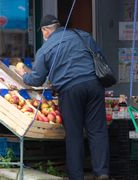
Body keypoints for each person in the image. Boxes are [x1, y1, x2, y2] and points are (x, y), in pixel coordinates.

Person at [18, 15, 110, 180]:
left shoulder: (45, 49)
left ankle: (76, 176)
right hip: (94, 84)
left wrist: (23, 75)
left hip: (70, 90)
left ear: (46, 31)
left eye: (43, 32)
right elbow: (100, 57)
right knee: (98, 130)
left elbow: (36, 79)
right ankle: (101, 172)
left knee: (74, 134)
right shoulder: (82, 35)